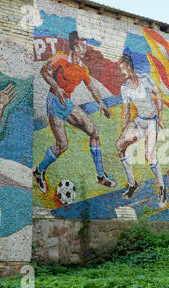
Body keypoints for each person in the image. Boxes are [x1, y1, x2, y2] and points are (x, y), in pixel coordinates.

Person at [33, 31, 116, 194]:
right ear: (74, 45)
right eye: (82, 44)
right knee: (62, 145)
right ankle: (39, 170)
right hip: (55, 101)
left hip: (68, 104)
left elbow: (92, 88)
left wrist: (101, 103)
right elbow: (43, 71)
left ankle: (100, 176)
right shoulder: (60, 58)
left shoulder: (83, 69)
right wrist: (57, 88)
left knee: (94, 131)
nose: (84, 48)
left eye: (85, 45)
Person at [116, 53, 167, 207]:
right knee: (119, 146)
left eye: (122, 69)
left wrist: (160, 117)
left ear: (129, 67)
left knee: (149, 156)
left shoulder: (145, 79)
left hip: (152, 122)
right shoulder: (124, 88)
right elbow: (126, 113)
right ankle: (132, 184)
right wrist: (124, 132)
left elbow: (158, 93)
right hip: (139, 122)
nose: (121, 73)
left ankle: (162, 188)